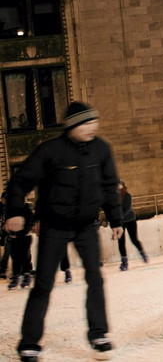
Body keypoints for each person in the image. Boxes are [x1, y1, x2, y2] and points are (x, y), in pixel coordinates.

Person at [5, 102, 123, 360]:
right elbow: (19, 182)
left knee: (95, 277)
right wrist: (14, 212)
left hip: (86, 226)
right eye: (87, 123)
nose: (94, 127)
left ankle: (98, 334)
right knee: (44, 283)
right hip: (54, 226)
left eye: (95, 121)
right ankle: (30, 342)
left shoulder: (101, 150)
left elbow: (109, 185)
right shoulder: (50, 151)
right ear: (72, 126)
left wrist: (116, 220)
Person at [115, 181, 148, 270]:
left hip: (130, 220)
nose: (118, 187)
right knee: (121, 242)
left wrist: (120, 217)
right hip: (120, 223)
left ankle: (142, 252)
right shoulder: (114, 197)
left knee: (134, 239)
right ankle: (124, 261)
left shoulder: (127, 195)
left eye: (119, 185)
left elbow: (128, 208)